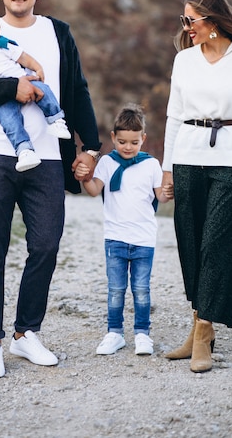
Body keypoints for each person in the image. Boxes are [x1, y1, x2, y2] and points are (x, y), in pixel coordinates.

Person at [0, 0, 101, 378]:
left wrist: (89, 146)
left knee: (47, 245)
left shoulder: (58, 32)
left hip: (47, 157)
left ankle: (25, 334)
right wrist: (10, 87)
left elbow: (77, 90)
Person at [161, 0, 232, 373]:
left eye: (192, 20)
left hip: (231, 157)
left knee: (217, 242)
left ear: (214, 21)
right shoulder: (184, 61)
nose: (186, 27)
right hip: (188, 155)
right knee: (190, 240)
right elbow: (173, 115)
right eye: (184, 19)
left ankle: (205, 332)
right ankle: (197, 323)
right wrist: (166, 167)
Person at [75, 103, 171, 356]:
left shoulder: (151, 165)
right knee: (116, 289)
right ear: (114, 138)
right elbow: (95, 190)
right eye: (123, 142)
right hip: (115, 238)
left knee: (141, 289)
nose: (128, 147)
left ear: (143, 139)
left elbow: (160, 196)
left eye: (134, 142)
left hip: (143, 239)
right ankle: (114, 333)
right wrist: (84, 177)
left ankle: (142, 334)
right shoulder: (107, 162)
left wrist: (168, 191)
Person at [0, 5, 71, 172]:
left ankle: (56, 119)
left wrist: (37, 67)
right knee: (10, 122)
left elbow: (23, 57)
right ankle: (24, 150)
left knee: (44, 90)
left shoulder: (3, 45)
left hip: (22, 80)